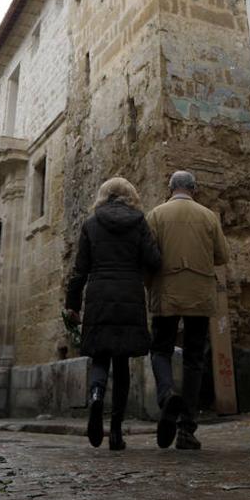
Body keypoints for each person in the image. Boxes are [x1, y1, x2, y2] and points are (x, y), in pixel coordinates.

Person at [65, 177, 160, 450]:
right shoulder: (139, 222)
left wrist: (73, 305)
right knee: (121, 365)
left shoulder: (91, 225)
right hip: (129, 295)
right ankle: (116, 432)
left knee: (100, 356)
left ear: (102, 196)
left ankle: (96, 395)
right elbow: (153, 260)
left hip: (98, 297)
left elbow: (79, 270)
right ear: (130, 196)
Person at [146, 170, 228, 450]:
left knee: (160, 350)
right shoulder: (208, 216)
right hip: (199, 293)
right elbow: (222, 256)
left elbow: (148, 255)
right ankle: (187, 429)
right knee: (194, 358)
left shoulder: (155, 215)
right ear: (195, 189)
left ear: (170, 188)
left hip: (166, 291)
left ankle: (167, 393)